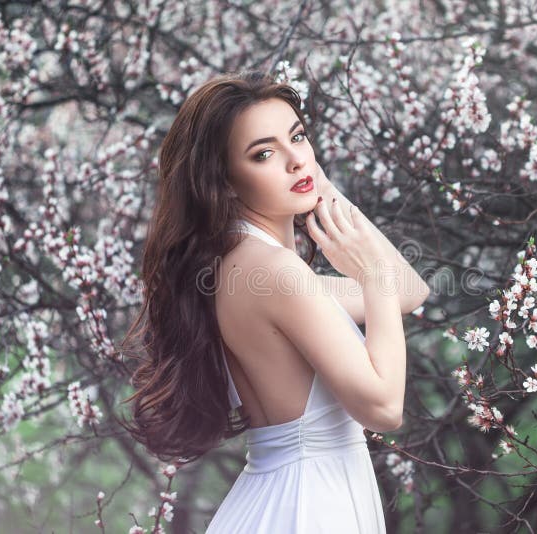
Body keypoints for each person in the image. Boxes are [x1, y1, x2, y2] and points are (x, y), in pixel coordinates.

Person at [120, 70, 430, 534]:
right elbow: (384, 408)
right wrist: (371, 271)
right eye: (263, 153)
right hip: (310, 507)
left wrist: (321, 191)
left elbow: (407, 290)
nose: (294, 161)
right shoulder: (275, 273)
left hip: (282, 497)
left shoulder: (241, 267)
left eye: (298, 138)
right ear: (224, 180)